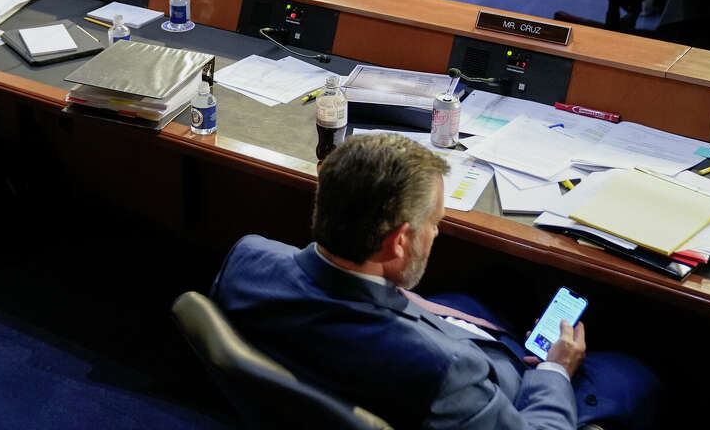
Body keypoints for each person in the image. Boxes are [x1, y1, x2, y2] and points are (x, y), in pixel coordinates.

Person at [211, 134, 659, 430]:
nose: (439, 232)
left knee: (480, 292)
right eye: (435, 223)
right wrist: (556, 371)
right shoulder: (446, 370)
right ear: (400, 241)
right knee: (634, 374)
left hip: (376, 347)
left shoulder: (247, 259)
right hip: (505, 398)